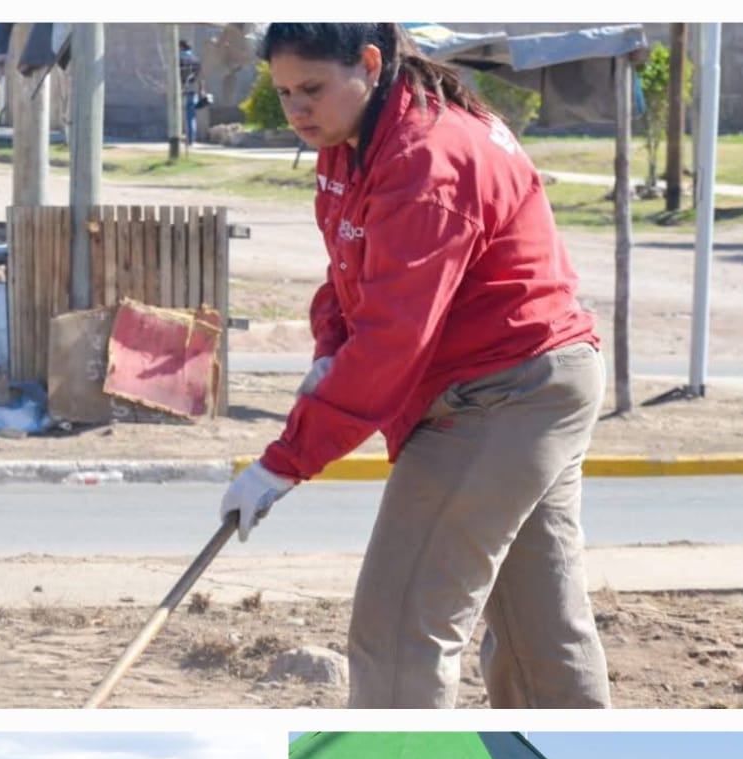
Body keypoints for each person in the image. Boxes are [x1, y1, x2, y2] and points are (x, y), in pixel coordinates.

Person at [219, 22, 609, 709]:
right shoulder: (353, 140)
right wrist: (329, 350)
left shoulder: (425, 158)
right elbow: (353, 271)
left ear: (370, 63)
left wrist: (285, 462)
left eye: (311, 88)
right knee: (539, 635)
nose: (297, 109)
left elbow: (393, 338)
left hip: (502, 392)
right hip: (531, 381)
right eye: (283, 93)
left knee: (400, 627)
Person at [179, 39, 202, 147]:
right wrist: (201, 89)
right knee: (191, 115)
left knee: (180, 114)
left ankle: (180, 137)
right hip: (194, 89)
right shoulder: (196, 59)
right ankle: (191, 139)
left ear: (181, 47)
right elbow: (200, 76)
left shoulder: (179, 58)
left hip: (182, 89)